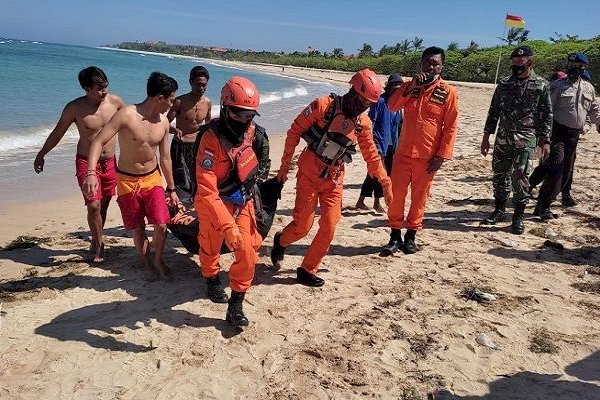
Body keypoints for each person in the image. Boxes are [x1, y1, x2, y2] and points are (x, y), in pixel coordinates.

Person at [271, 69, 393, 287]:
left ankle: (307, 269)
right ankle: (281, 241)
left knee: (329, 226)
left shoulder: (362, 124)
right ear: (352, 90)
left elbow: (371, 155)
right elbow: (294, 131)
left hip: (334, 178)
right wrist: (284, 167)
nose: (362, 107)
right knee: (302, 227)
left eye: (367, 104)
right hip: (309, 173)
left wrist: (385, 181)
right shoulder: (322, 106)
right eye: (360, 101)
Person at [83, 72, 180, 280]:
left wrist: (171, 188)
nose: (172, 105)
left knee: (162, 224)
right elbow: (98, 142)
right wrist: (91, 173)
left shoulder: (163, 122)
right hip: (127, 181)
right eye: (171, 100)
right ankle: (147, 263)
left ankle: (158, 259)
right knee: (138, 228)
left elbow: (165, 158)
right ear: (160, 97)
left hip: (153, 178)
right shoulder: (127, 115)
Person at [33, 66, 125, 263]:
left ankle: (95, 238)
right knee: (93, 204)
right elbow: (58, 133)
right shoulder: (74, 108)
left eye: (106, 86)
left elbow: (131, 122)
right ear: (87, 88)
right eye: (99, 88)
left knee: (104, 203)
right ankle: (99, 245)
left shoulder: (115, 102)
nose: (104, 91)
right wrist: (41, 154)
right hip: (85, 161)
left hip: (109, 162)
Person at [194, 76, 263, 327]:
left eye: (249, 116)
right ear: (224, 108)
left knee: (247, 251)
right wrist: (227, 225)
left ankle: (236, 304)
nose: (244, 121)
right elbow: (207, 189)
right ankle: (211, 279)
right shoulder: (209, 140)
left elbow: (254, 160)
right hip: (213, 202)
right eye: (238, 114)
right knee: (210, 245)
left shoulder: (251, 131)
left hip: (242, 200)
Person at [381, 47, 459, 255]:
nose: (431, 66)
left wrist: (442, 156)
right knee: (396, 195)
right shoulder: (409, 87)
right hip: (403, 153)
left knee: (419, 197)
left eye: (435, 63)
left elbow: (450, 127)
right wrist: (411, 85)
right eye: (427, 63)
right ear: (421, 64)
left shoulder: (448, 93)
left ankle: (411, 237)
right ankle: (395, 235)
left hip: (427, 157)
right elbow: (392, 106)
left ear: (442, 66)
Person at [480, 46, 552, 234]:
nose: (518, 64)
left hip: (527, 138)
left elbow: (546, 114)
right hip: (503, 138)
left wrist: (545, 141)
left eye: (522, 61)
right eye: (515, 62)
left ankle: (518, 216)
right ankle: (499, 209)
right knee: (499, 174)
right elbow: (493, 111)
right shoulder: (504, 84)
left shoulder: (541, 85)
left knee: (520, 176)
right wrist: (486, 136)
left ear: (530, 62)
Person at [534, 53, 600, 220]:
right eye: (571, 65)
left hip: (574, 135)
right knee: (556, 165)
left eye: (578, 66)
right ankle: (544, 205)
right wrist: (544, 136)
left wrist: (598, 123)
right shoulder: (557, 85)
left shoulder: (588, 88)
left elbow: (593, 110)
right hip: (557, 132)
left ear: (584, 68)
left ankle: (543, 201)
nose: (574, 69)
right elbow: (546, 110)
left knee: (566, 171)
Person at [355, 74, 403, 213]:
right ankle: (377, 202)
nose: (396, 90)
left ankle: (361, 200)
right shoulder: (380, 101)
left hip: (391, 145)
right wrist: (370, 142)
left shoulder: (398, 105)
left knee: (373, 173)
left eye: (399, 88)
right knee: (382, 174)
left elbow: (398, 126)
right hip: (378, 143)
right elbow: (370, 121)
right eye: (394, 86)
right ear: (388, 87)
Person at [167, 66, 212, 205]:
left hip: (197, 146)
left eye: (204, 85)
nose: (201, 88)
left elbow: (208, 126)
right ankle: (174, 207)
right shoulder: (180, 102)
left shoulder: (208, 103)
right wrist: (175, 130)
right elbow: (164, 123)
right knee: (177, 179)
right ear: (191, 82)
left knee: (196, 178)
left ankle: (192, 207)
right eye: (198, 84)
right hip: (180, 146)